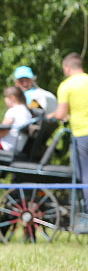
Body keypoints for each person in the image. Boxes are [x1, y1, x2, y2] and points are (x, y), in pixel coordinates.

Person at [48, 54, 88, 213]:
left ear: (67, 68)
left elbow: (60, 114)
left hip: (81, 135)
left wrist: (50, 116)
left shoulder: (67, 86)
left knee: (84, 175)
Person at [0, 86, 33, 155]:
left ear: (12, 97)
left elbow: (1, 133)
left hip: (5, 147)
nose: (4, 100)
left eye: (5, 97)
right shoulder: (27, 112)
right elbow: (3, 128)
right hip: (17, 147)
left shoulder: (13, 111)